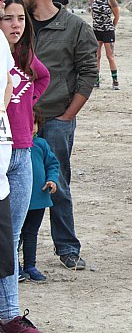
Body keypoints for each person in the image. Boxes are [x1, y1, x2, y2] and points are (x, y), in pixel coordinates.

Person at [17, 0, 98, 270]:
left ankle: (67, 247)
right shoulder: (17, 24)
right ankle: (18, 247)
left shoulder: (75, 27)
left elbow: (89, 73)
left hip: (53, 120)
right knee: (16, 184)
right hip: (16, 122)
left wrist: (67, 116)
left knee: (56, 182)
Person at [2, 0, 51, 286]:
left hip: (22, 146)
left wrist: (25, 102)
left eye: (21, 18)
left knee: (14, 230)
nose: (15, 24)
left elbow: (43, 77)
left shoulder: (24, 55)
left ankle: (9, 299)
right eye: (8, 18)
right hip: (2, 146)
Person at [21, 109, 59, 282]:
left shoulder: (41, 145)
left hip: (39, 198)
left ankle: (30, 265)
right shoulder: (13, 147)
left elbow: (52, 164)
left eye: (33, 123)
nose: (30, 127)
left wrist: (52, 180)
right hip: (19, 198)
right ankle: (14, 267)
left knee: (31, 233)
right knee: (16, 233)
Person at [89, 0, 120, 90]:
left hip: (108, 31)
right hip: (96, 30)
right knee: (96, 56)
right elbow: (92, 13)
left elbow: (116, 15)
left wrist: (112, 27)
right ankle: (96, 81)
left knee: (110, 56)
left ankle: (115, 81)